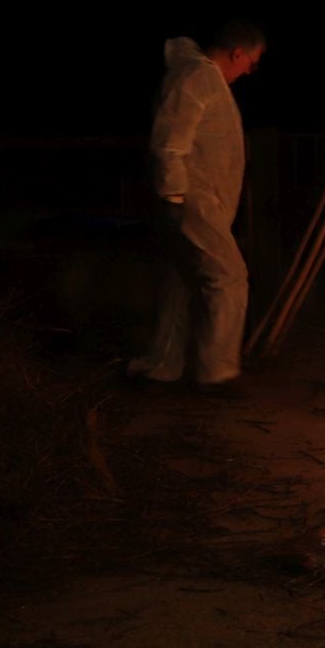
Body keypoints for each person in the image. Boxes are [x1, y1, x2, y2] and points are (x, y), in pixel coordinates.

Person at [127, 20, 264, 392]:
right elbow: (170, 140)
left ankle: (163, 366)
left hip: (196, 200)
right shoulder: (196, 77)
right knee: (228, 277)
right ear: (237, 53)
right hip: (193, 200)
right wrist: (173, 197)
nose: (249, 71)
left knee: (184, 280)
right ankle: (217, 373)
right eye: (251, 63)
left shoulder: (203, 79)